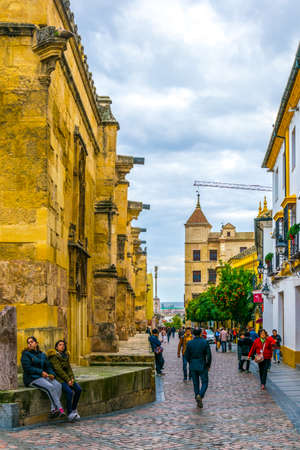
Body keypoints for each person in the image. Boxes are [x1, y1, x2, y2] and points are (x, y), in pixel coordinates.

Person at [21, 336, 65, 418]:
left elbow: (48, 366)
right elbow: (27, 368)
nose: (29, 344)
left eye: (31, 342)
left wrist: (52, 374)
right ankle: (60, 409)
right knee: (50, 387)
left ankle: (53, 410)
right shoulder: (25, 354)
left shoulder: (42, 354)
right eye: (28, 342)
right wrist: (40, 372)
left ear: (36, 343)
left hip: (43, 376)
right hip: (32, 378)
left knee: (58, 385)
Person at [47, 340, 81, 422]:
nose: (62, 346)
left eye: (63, 345)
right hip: (60, 379)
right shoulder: (53, 357)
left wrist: (72, 378)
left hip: (68, 379)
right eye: (60, 345)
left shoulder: (65, 355)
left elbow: (69, 368)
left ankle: (73, 409)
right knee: (69, 392)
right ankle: (69, 413)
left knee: (78, 389)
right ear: (56, 347)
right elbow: (58, 370)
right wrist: (67, 380)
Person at [184, 328, 212, 408]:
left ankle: (197, 397)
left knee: (195, 383)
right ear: (200, 333)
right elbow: (209, 355)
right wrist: (208, 365)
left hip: (193, 365)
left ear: (193, 334)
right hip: (202, 364)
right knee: (205, 382)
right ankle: (200, 395)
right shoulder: (204, 342)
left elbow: (186, 355)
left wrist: (191, 362)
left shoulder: (190, 343)